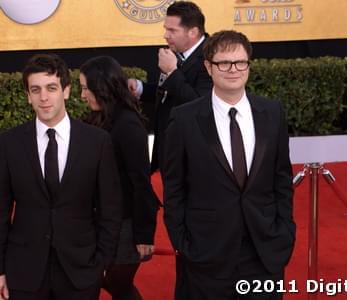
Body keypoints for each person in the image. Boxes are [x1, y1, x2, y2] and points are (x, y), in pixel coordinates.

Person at [163, 30, 296, 299]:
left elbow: (282, 179)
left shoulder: (272, 113)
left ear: (248, 65)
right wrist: (183, 244)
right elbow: (174, 187)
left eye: (240, 62)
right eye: (224, 63)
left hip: (263, 250)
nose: (233, 69)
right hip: (205, 254)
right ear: (208, 67)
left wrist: (284, 233)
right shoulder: (185, 119)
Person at [0, 54, 122, 300]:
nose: (44, 97)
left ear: (66, 91)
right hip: (24, 271)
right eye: (36, 89)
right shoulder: (9, 144)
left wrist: (100, 263)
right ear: (28, 95)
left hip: (81, 270)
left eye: (51, 88)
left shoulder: (97, 142)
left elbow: (110, 209)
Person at [80, 56, 160, 300]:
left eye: (85, 88)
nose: (82, 95)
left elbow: (141, 183)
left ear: (102, 87)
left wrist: (144, 235)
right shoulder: (99, 118)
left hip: (126, 226)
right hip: (104, 220)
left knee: (119, 286)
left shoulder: (128, 125)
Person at [128, 0, 212, 174]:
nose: (166, 35)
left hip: (191, 157)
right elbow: (168, 95)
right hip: (167, 150)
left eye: (172, 30)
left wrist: (172, 72)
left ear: (193, 32)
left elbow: (201, 105)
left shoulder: (212, 57)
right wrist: (140, 89)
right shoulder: (175, 53)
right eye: (166, 29)